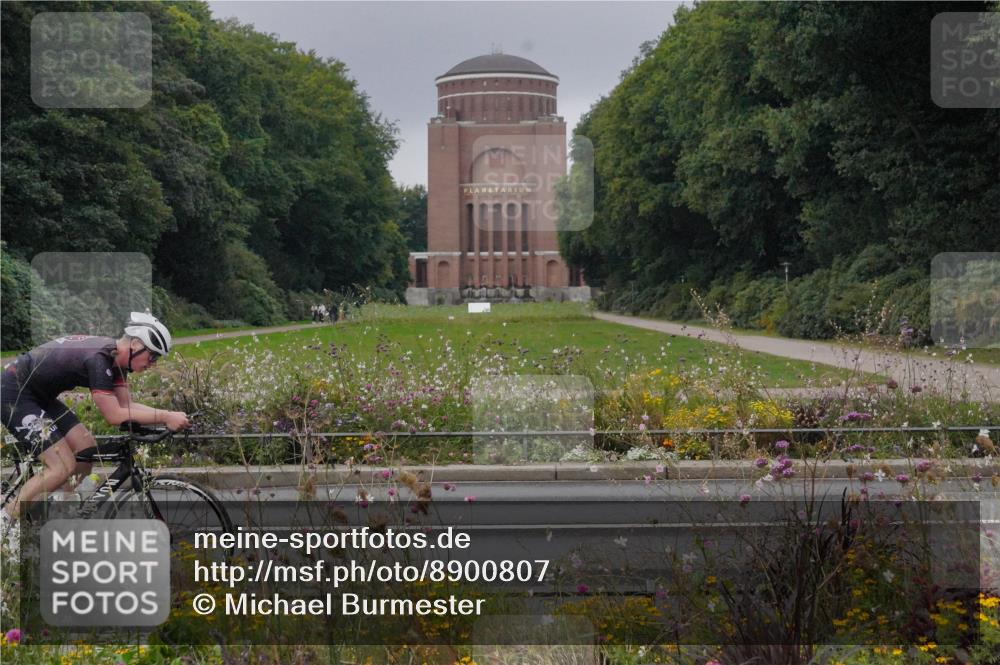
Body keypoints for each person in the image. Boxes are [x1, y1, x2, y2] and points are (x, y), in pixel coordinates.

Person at [1, 312, 189, 545]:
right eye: (152, 357)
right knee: (62, 465)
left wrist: (166, 417)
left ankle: (57, 515)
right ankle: (6, 519)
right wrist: (165, 416)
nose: (152, 365)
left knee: (85, 448)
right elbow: (113, 415)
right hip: (15, 393)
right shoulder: (100, 360)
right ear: (136, 345)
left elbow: (126, 405)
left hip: (40, 395)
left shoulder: (115, 359)